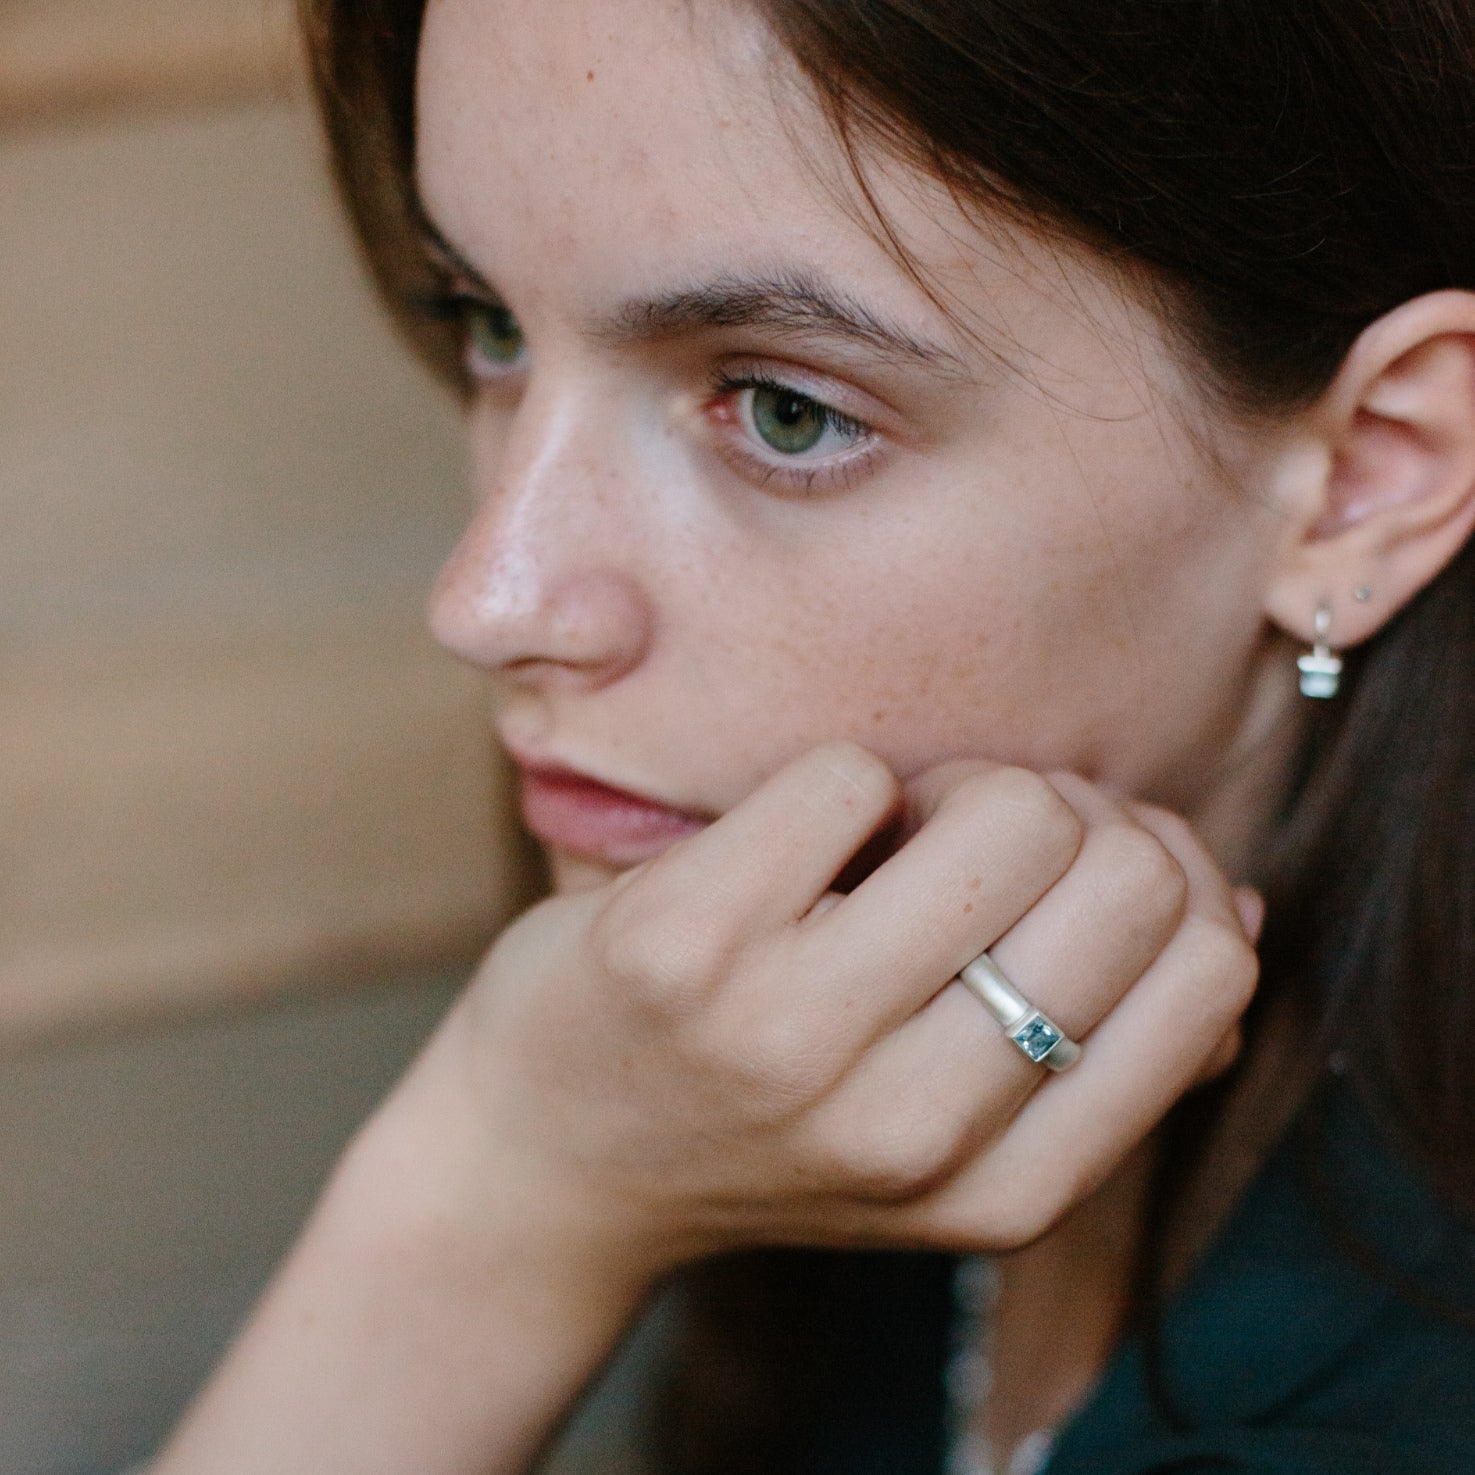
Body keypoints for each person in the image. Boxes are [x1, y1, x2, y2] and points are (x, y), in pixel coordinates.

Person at [148, 1, 1475, 1471]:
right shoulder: (814, 1042)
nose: (488, 599)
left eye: (784, 411)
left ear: (1367, 477)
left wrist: (502, 1205)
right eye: (493, 327)